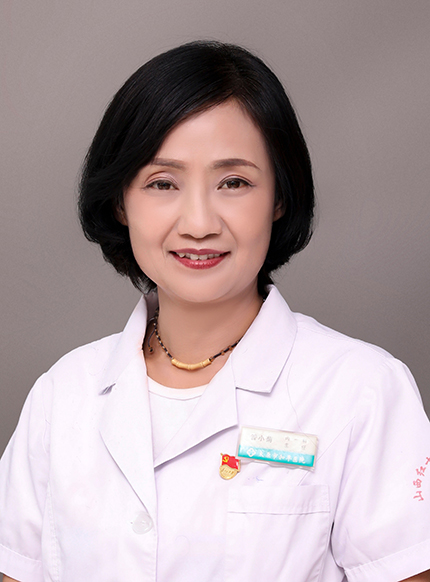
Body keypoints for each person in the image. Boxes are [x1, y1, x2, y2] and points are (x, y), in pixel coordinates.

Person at [0, 40, 429, 582]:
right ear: (120, 202)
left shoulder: (361, 389)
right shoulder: (63, 395)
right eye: (162, 183)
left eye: (234, 183)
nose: (199, 223)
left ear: (279, 198)